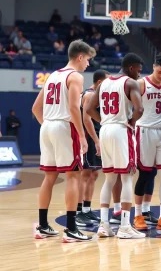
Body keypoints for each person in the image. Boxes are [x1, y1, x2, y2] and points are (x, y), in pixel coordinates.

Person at [32, 39, 96, 242]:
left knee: (49, 178)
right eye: (87, 60)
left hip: (47, 126)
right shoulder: (75, 76)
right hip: (63, 126)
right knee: (73, 176)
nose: (88, 64)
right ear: (80, 57)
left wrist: (47, 126)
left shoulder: (52, 76)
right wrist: (82, 135)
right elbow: (73, 108)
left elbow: (35, 108)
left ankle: (42, 226)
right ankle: (70, 229)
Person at [86, 53, 146, 239]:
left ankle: (104, 226)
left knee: (109, 179)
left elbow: (88, 109)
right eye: (138, 70)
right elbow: (140, 109)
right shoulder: (130, 83)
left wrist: (103, 120)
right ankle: (125, 226)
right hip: (121, 129)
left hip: (105, 130)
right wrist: (132, 121)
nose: (139, 75)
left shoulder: (104, 83)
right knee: (127, 178)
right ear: (131, 68)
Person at [134, 52, 161, 232]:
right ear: (153, 67)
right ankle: (137, 215)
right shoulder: (141, 84)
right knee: (144, 174)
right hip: (144, 131)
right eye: (159, 72)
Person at [75, 69, 109, 227]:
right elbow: (87, 120)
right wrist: (95, 140)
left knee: (93, 174)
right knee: (85, 174)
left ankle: (87, 209)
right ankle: (77, 212)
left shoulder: (96, 95)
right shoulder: (89, 95)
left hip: (95, 135)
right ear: (100, 82)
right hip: (88, 136)